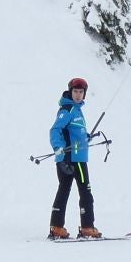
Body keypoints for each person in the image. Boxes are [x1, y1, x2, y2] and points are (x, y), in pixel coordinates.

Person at [49, 77, 102, 239]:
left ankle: (57, 227)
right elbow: (55, 130)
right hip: (72, 159)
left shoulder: (77, 110)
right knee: (85, 192)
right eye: (75, 92)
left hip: (76, 156)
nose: (78, 95)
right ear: (70, 92)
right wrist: (58, 149)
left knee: (64, 190)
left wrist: (86, 137)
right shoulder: (68, 110)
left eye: (81, 92)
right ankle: (87, 227)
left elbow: (74, 133)